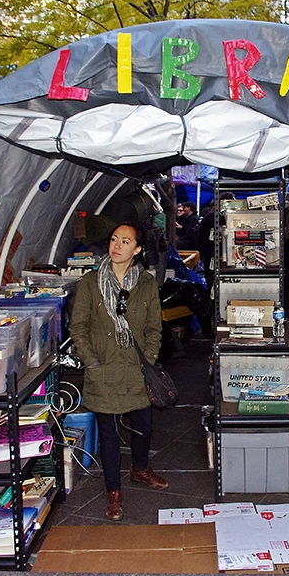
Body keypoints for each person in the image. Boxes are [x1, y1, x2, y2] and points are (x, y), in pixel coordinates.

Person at [69, 223, 166, 521]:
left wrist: (148, 357)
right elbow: (78, 327)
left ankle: (139, 468)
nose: (116, 246)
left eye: (125, 241)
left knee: (144, 425)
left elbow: (154, 327)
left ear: (136, 250)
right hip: (103, 368)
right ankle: (114, 492)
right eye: (113, 239)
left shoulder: (146, 284)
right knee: (109, 435)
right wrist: (91, 361)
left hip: (136, 368)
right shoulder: (90, 282)